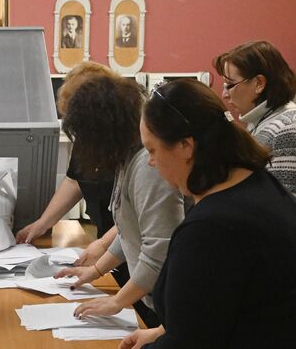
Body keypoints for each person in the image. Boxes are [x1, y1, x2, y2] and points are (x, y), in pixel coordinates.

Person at [120, 79, 296, 349]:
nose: (151, 162)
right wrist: (161, 332)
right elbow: (219, 307)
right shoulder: (257, 182)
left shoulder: (211, 229)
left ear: (186, 146)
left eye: (153, 150)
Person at [53, 71, 186, 328]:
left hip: (169, 301)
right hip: (153, 295)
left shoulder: (147, 166)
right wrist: (94, 272)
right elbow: (129, 230)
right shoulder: (127, 157)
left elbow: (158, 249)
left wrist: (117, 302)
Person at [16, 62, 115, 241]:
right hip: (106, 237)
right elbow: (75, 181)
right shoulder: (88, 135)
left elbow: (130, 223)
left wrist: (101, 253)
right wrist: (43, 223)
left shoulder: (126, 146)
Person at [213, 40, 296, 194]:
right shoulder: (262, 123)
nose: (224, 95)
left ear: (259, 83)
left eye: (229, 85)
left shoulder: (286, 128)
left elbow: (285, 207)